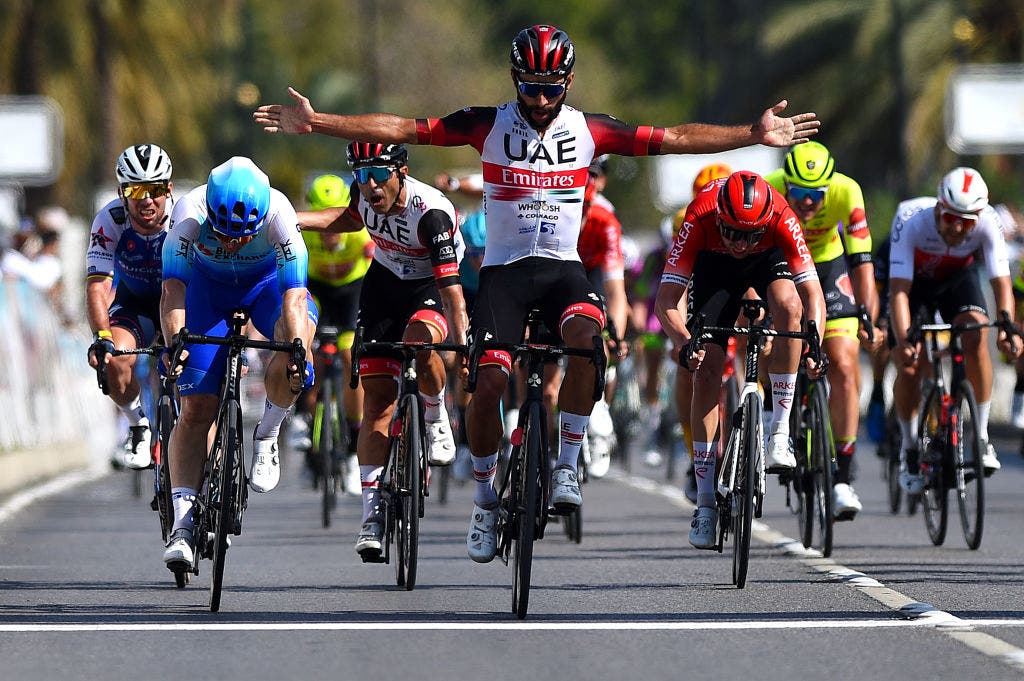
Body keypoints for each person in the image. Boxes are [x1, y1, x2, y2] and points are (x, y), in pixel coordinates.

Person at [253, 22, 820, 563]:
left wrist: (752, 135)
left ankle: (567, 462)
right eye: (529, 87)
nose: (540, 99)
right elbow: (403, 130)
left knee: (586, 340)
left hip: (562, 272)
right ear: (514, 79)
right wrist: (319, 122)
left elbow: (671, 138)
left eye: (550, 89)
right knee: (489, 385)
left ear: (567, 84)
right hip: (504, 274)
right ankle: (482, 502)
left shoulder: (588, 130)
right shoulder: (487, 124)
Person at [297, 142, 468, 561]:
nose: (370, 183)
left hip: (431, 286)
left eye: (379, 173)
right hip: (384, 284)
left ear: (402, 171)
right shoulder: (364, 196)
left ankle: (434, 413)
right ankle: (372, 516)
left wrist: (462, 347)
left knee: (418, 341)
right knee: (376, 403)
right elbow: (345, 219)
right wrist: (292, 219)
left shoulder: (431, 214)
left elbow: (453, 295)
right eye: (361, 174)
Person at [160, 156, 317, 572]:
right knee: (196, 408)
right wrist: (177, 343)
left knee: (295, 345)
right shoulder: (188, 217)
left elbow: (295, 298)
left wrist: (296, 350)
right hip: (206, 291)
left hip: (265, 288)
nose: (234, 243)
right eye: (226, 235)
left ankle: (268, 432)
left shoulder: (281, 217)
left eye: (245, 236)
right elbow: (174, 288)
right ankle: (183, 524)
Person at [654, 171, 826, 549]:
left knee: (789, 308)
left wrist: (814, 344)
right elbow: (666, 299)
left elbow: (812, 293)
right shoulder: (698, 216)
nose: (738, 242)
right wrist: (685, 341)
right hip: (713, 271)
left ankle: (779, 430)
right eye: (730, 231)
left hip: (768, 262)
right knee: (707, 369)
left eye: (748, 234)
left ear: (764, 223)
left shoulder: (782, 216)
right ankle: (704, 504)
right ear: (719, 218)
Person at [764, 141, 879, 521]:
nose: (808, 203)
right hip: (780, 262)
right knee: (767, 341)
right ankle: (772, 413)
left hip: (829, 267)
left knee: (845, 364)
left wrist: (868, 316)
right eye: (799, 193)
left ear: (830, 187)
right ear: (786, 185)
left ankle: (842, 477)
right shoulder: (768, 187)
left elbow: (862, 263)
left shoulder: (848, 191)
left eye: (817, 195)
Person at [889, 167, 1020, 494]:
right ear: (938, 208)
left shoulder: (989, 222)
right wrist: (905, 339)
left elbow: (1001, 282)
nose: (958, 227)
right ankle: (908, 448)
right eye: (950, 218)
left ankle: (981, 437)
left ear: (979, 216)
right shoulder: (910, 219)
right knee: (909, 364)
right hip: (915, 285)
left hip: (956, 283)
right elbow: (900, 291)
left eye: (967, 221)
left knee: (977, 334)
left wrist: (1007, 328)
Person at [85, 143, 174, 470]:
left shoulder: (184, 217)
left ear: (169, 188)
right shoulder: (110, 220)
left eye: (155, 188)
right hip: (134, 304)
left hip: (179, 304)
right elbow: (97, 286)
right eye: (136, 189)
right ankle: (138, 425)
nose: (146, 199)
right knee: (114, 360)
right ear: (122, 193)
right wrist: (102, 336)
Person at [290, 173, 372, 494]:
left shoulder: (359, 234)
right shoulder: (303, 234)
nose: (331, 231)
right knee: (304, 342)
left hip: (352, 291)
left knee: (352, 357)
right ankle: (303, 415)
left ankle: (353, 441)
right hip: (317, 290)